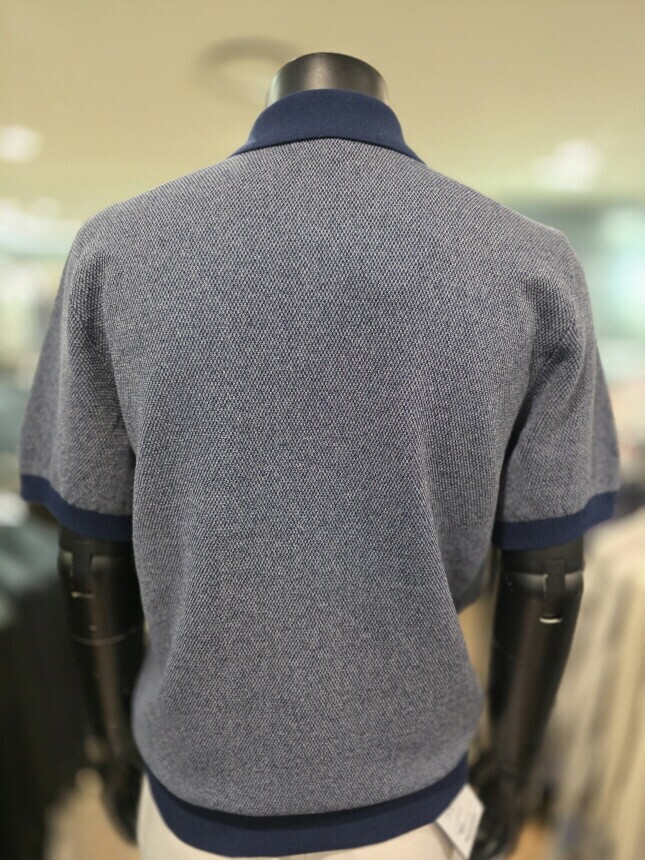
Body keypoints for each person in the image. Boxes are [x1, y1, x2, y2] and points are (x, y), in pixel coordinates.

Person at [18, 51, 621, 860]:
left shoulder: (114, 250)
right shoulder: (530, 263)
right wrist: (511, 770)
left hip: (192, 786)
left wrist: (109, 747)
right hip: (413, 797)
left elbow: (90, 553)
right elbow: (548, 570)